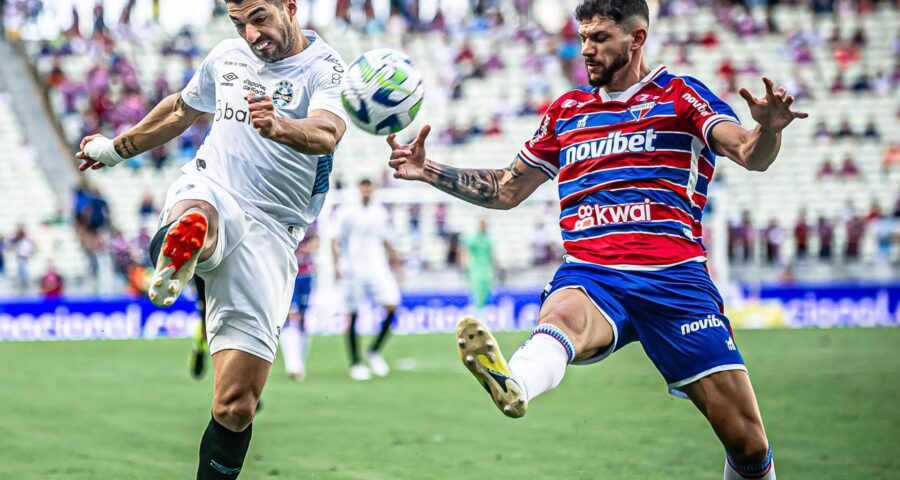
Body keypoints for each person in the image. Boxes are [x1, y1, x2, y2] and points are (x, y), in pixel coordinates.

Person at [386, 0, 807, 477]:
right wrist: (428, 170)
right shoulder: (566, 111)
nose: (586, 49)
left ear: (637, 39)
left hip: (674, 282)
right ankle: (516, 381)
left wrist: (768, 129)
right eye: (583, 37)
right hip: (594, 273)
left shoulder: (682, 96)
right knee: (562, 314)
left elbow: (751, 154)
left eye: (600, 38)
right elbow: (507, 188)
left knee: (748, 446)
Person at [75, 1, 348, 478]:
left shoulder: (326, 69)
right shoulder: (226, 57)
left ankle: (186, 246)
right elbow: (182, 108)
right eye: (239, 22)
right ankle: (187, 241)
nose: (250, 34)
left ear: (290, 7)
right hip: (214, 187)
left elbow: (327, 132)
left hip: (274, 232)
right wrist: (115, 150)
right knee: (200, 212)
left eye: (260, 18)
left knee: (236, 406)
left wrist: (279, 125)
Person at [332, 179, 402, 381]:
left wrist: (397, 264)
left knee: (392, 305)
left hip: (377, 268)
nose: (366, 191)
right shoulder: (346, 212)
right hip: (353, 269)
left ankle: (373, 351)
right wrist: (337, 265)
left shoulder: (380, 213)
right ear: (358, 189)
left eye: (369, 187)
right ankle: (355, 362)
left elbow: (387, 239)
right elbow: (334, 239)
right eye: (363, 187)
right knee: (352, 314)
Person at [280, 222, 319, 381]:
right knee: (290, 315)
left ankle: (300, 363)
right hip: (288, 273)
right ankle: (292, 363)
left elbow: (317, 238)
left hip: (307, 273)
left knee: (303, 317)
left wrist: (310, 247)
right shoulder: (286, 210)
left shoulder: (312, 215)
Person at [461, 219, 495, 312]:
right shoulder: (474, 238)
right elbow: (464, 250)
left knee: (485, 293)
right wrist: (464, 265)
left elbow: (491, 255)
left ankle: (481, 313)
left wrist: (493, 268)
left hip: (486, 269)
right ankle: (476, 313)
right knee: (476, 292)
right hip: (475, 269)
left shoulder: (488, 239)